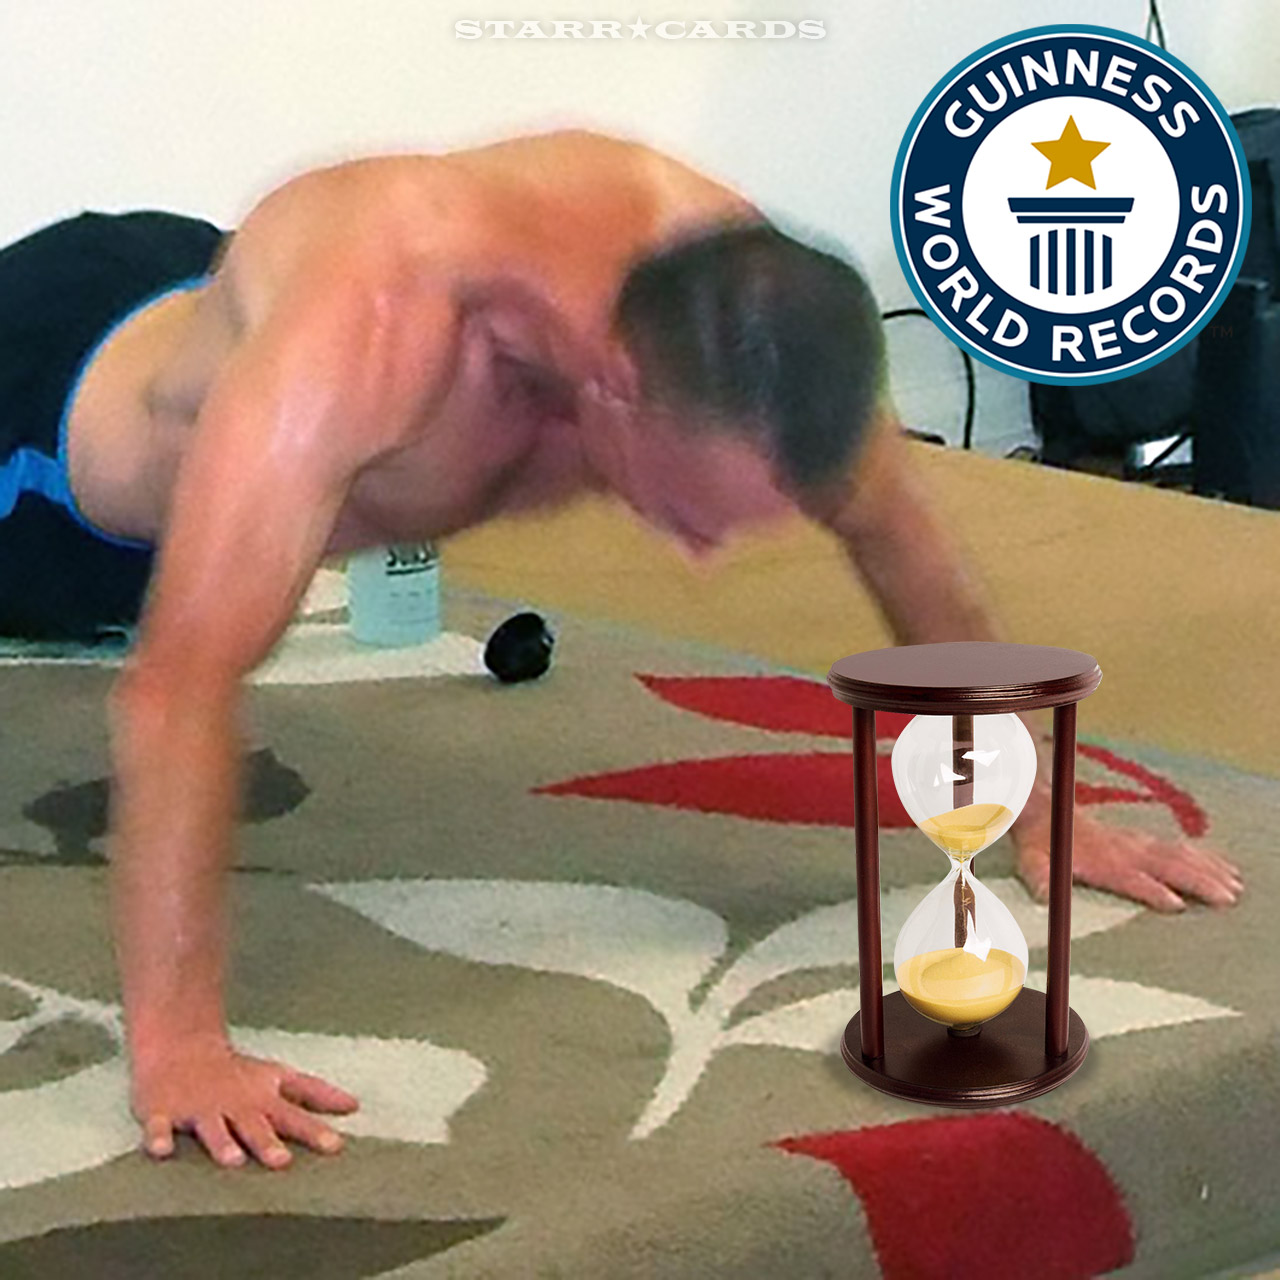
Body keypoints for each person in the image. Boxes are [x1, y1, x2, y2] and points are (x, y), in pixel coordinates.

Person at [0, 129, 1243, 1170]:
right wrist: (181, 1046)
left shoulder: (741, 314)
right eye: (690, 514)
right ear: (611, 393)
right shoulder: (367, 336)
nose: (700, 557)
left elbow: (897, 535)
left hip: (197, 308)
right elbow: (176, 689)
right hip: (50, 451)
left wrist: (1037, 808)